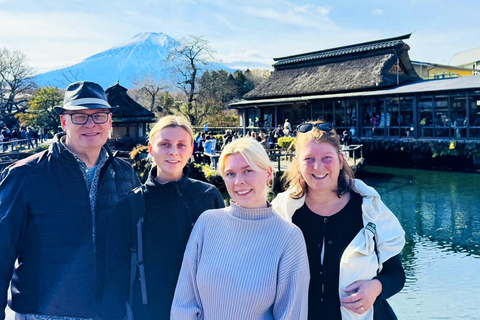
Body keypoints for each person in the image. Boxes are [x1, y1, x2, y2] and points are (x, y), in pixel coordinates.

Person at [0, 81, 141, 320]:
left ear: (109, 121)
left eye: (98, 116)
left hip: (112, 311)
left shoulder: (125, 174)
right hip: (44, 311)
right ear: (64, 122)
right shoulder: (25, 174)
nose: (90, 125)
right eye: (79, 117)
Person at [272, 121, 405, 320]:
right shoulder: (283, 211)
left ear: (341, 159)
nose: (318, 167)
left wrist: (376, 287)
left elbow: (396, 274)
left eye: (327, 158)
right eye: (309, 159)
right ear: (298, 162)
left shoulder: (369, 208)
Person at [171, 137, 310, 320]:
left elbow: (291, 314)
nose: (239, 181)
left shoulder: (289, 237)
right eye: (230, 174)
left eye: (248, 171)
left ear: (268, 173)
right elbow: (184, 304)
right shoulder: (207, 223)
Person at [102, 115, 224, 320]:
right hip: (149, 312)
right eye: (165, 144)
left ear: (192, 149)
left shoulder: (207, 197)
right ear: (151, 148)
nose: (173, 151)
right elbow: (114, 276)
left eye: (181, 145)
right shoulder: (129, 206)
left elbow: (224, 260)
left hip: (202, 310)